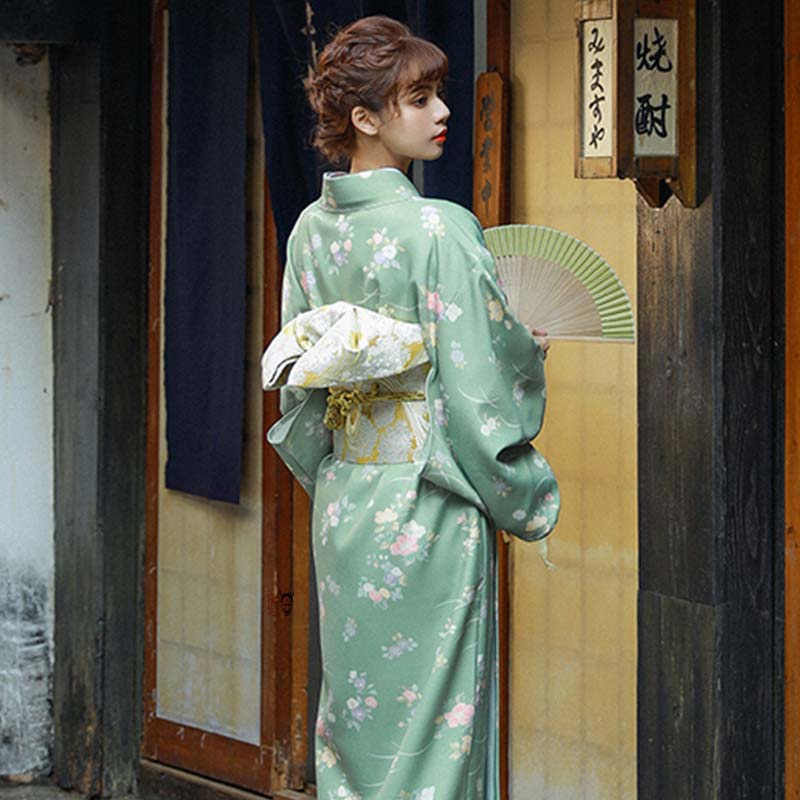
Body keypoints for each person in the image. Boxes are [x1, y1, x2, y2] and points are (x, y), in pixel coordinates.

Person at [261, 15, 560, 800]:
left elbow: (300, 387)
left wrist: (343, 467)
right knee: (436, 728)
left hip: (348, 501)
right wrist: (524, 361)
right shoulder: (440, 229)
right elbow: (479, 381)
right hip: (427, 504)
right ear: (363, 118)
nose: (442, 113)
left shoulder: (308, 234)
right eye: (419, 98)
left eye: (438, 96)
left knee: (359, 723)